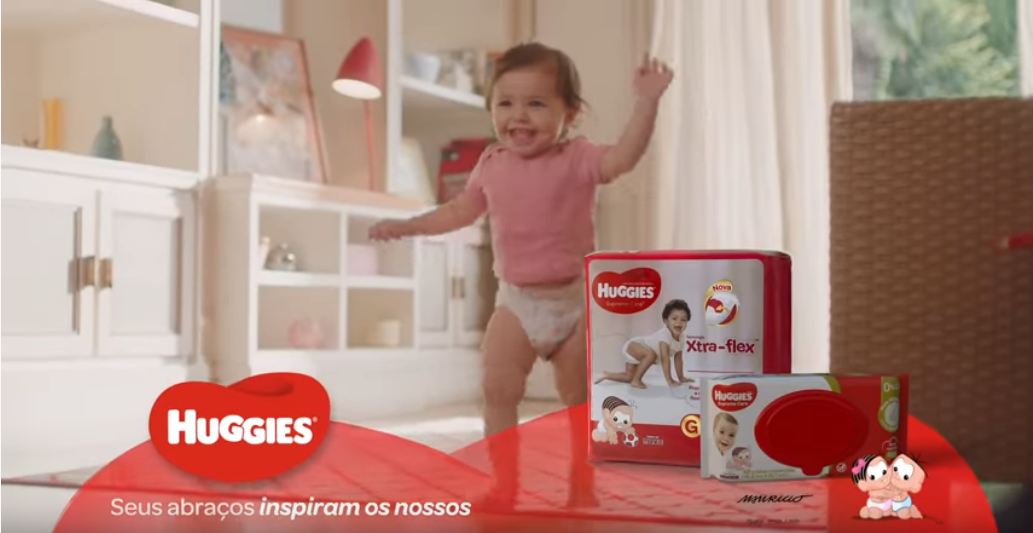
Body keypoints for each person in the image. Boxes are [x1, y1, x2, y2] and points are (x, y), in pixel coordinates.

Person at [368, 42, 673, 507]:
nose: (519, 116)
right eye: (505, 103)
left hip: (571, 303)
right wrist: (407, 226)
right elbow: (458, 212)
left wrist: (647, 102)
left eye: (536, 103)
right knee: (496, 388)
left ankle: (582, 482)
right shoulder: (492, 163)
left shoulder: (579, 158)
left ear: (569, 113)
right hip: (516, 301)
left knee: (576, 402)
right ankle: (503, 481)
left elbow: (624, 158)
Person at [596, 299, 692, 388]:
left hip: (638, 352)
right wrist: (670, 380)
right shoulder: (665, 335)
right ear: (666, 321)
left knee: (628, 377)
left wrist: (681, 377)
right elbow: (665, 357)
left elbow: (678, 359)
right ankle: (636, 380)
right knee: (651, 355)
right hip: (635, 345)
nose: (679, 323)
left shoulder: (682, 338)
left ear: (687, 322)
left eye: (683, 320)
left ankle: (607, 375)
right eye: (674, 318)